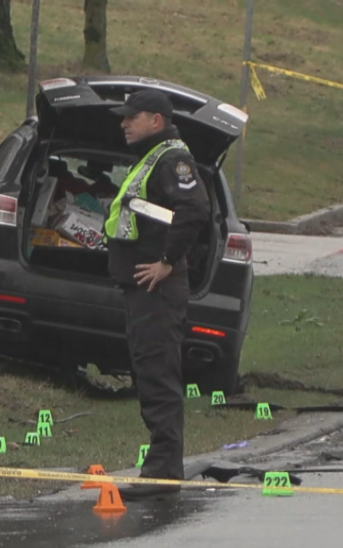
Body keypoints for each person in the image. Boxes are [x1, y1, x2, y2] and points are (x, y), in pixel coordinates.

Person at [103, 89, 211, 501]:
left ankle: (163, 470)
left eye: (131, 117)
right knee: (149, 372)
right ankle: (161, 465)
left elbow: (195, 209)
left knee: (158, 373)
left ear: (156, 120)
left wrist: (167, 260)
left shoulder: (172, 160)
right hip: (142, 290)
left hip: (158, 289)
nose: (124, 123)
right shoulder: (153, 159)